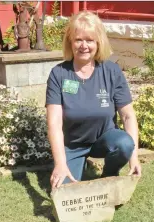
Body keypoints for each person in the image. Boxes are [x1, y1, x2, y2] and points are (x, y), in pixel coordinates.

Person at [45, 11, 141, 189]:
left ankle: (108, 176)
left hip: (104, 139)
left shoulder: (111, 71)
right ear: (70, 42)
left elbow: (128, 116)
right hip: (73, 144)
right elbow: (54, 123)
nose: (84, 46)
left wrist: (133, 156)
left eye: (89, 40)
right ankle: (72, 164)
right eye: (78, 40)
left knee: (124, 144)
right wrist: (60, 163)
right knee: (65, 190)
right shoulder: (58, 74)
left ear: (98, 43)